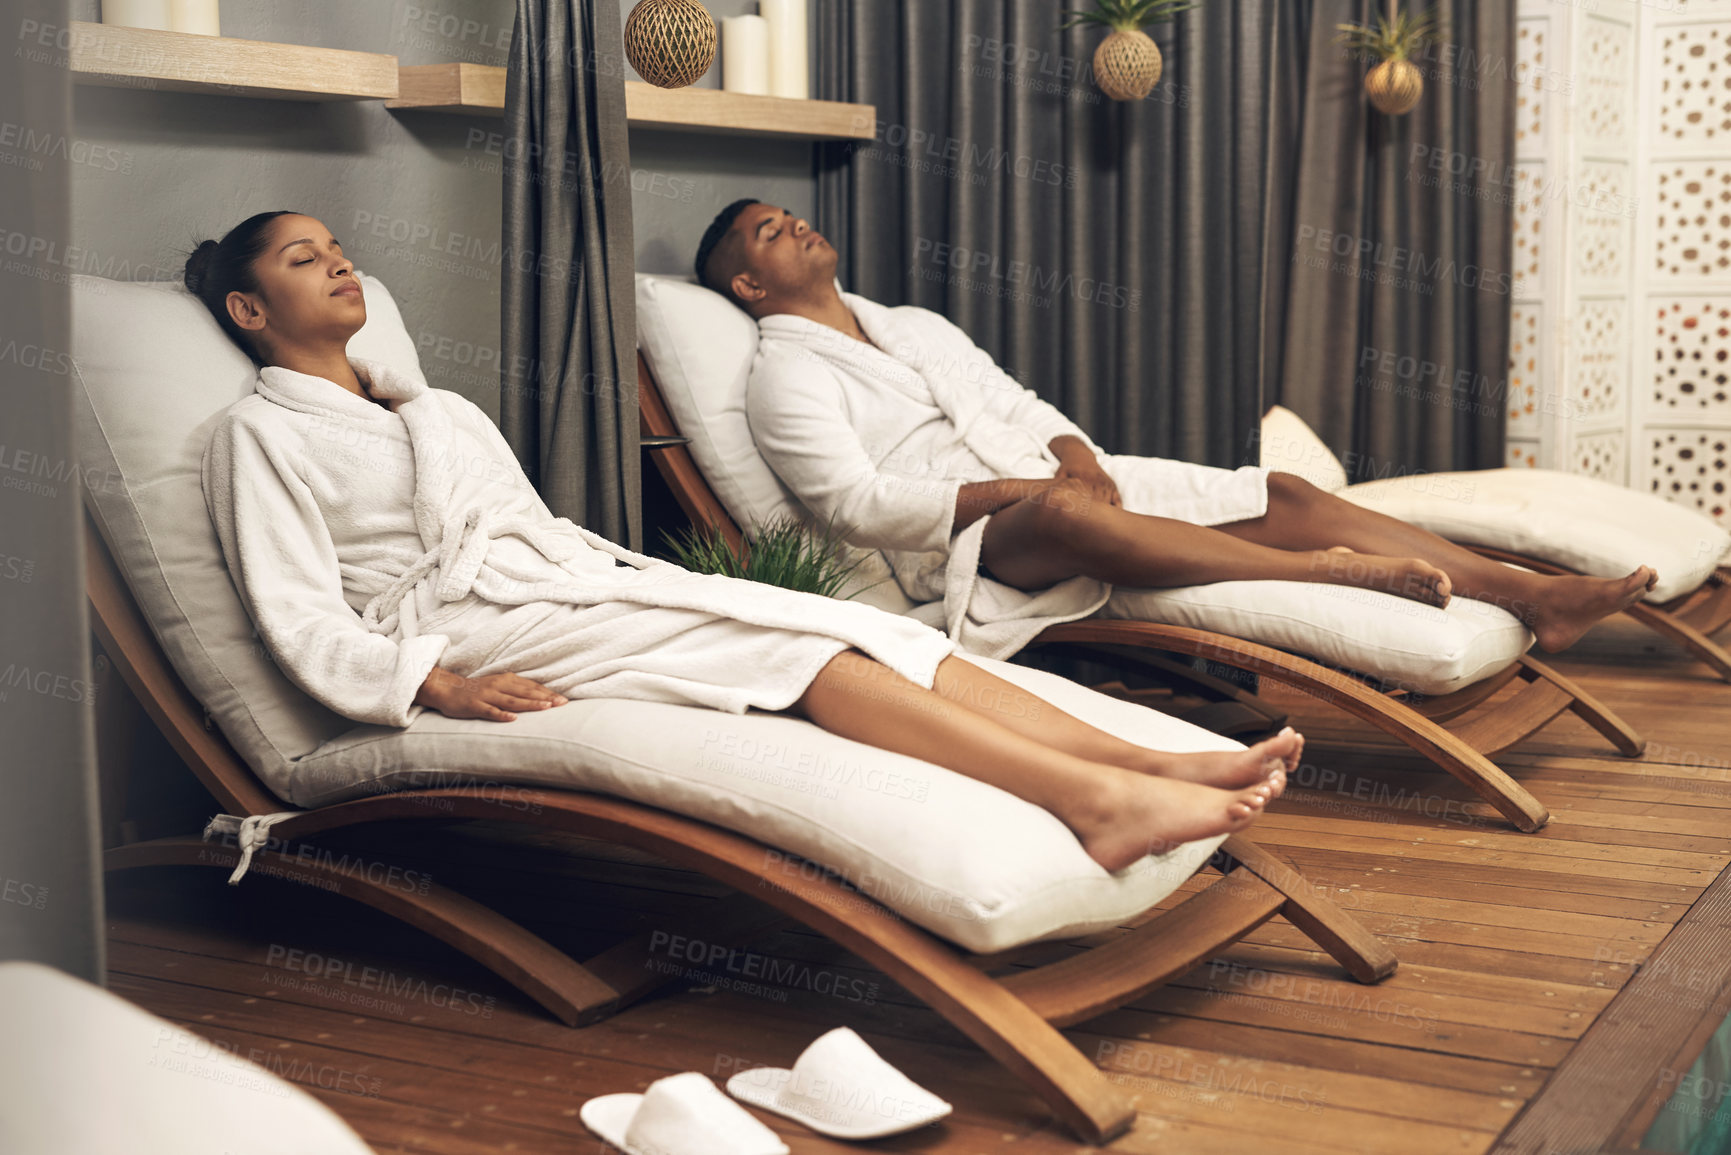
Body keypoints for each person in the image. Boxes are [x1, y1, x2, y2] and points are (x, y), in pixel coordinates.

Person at [188, 209, 1299, 874]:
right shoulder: (257, 437)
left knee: (845, 624)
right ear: (249, 312)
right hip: (469, 628)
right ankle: (1098, 807)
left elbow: (532, 532)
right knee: (799, 656)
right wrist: (434, 683)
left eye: (339, 249)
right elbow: (298, 611)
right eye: (302, 258)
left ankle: (1142, 761)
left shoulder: (435, 409)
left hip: (559, 587)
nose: (339, 265)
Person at [701, 199, 1657, 659]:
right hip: (973, 537)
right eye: (769, 234)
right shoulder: (781, 376)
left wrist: (1073, 455)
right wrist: (1030, 493)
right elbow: (854, 503)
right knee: (1074, 525)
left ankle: (1531, 595)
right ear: (749, 286)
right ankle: (1320, 571)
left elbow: (1016, 400)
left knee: (1278, 492)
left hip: (1065, 478)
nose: (793, 225)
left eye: (788, 216)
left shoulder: (908, 322)